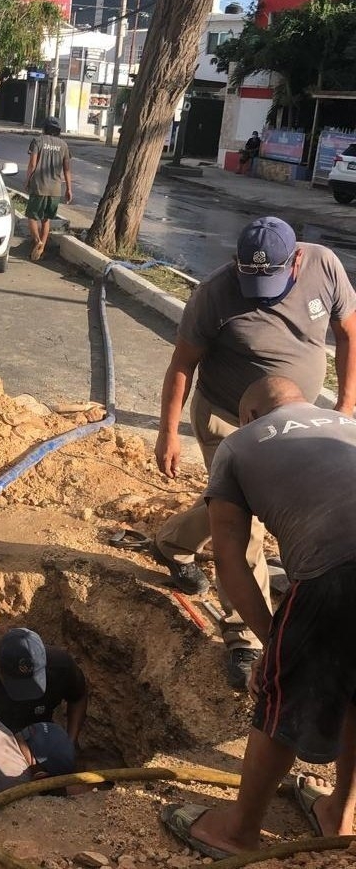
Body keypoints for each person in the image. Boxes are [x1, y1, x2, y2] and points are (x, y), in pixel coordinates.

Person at [151, 216, 356, 688]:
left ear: (297, 259)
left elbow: (348, 332)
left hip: (296, 415)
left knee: (231, 508)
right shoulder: (215, 293)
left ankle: (173, 543)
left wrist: (344, 406)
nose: (258, 292)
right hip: (229, 417)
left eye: (270, 280)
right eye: (250, 279)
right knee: (246, 529)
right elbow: (182, 364)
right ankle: (246, 637)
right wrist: (168, 432)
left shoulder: (323, 266)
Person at [161, 376, 356, 857]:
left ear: (248, 416)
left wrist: (273, 643)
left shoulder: (238, 444)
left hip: (338, 571)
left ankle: (237, 832)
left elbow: (229, 557)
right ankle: (340, 812)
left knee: (281, 696)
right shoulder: (346, 424)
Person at [25, 116, 72, 261]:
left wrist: (27, 180)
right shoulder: (64, 145)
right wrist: (69, 189)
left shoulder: (38, 141)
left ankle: (37, 241)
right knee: (46, 220)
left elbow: (32, 164)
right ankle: (42, 249)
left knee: (32, 217)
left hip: (39, 186)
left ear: (44, 128)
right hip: (55, 190)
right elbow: (67, 170)